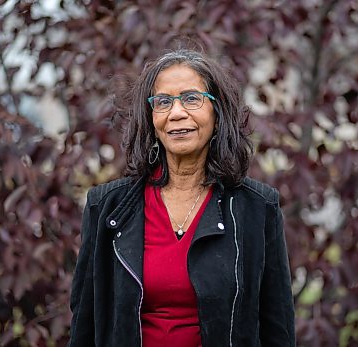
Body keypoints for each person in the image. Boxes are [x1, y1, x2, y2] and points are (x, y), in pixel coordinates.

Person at [68, 49, 295, 347]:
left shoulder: (256, 208)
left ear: (218, 112)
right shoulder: (108, 208)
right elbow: (84, 326)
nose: (176, 113)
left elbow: (278, 330)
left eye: (191, 98)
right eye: (163, 101)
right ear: (151, 119)